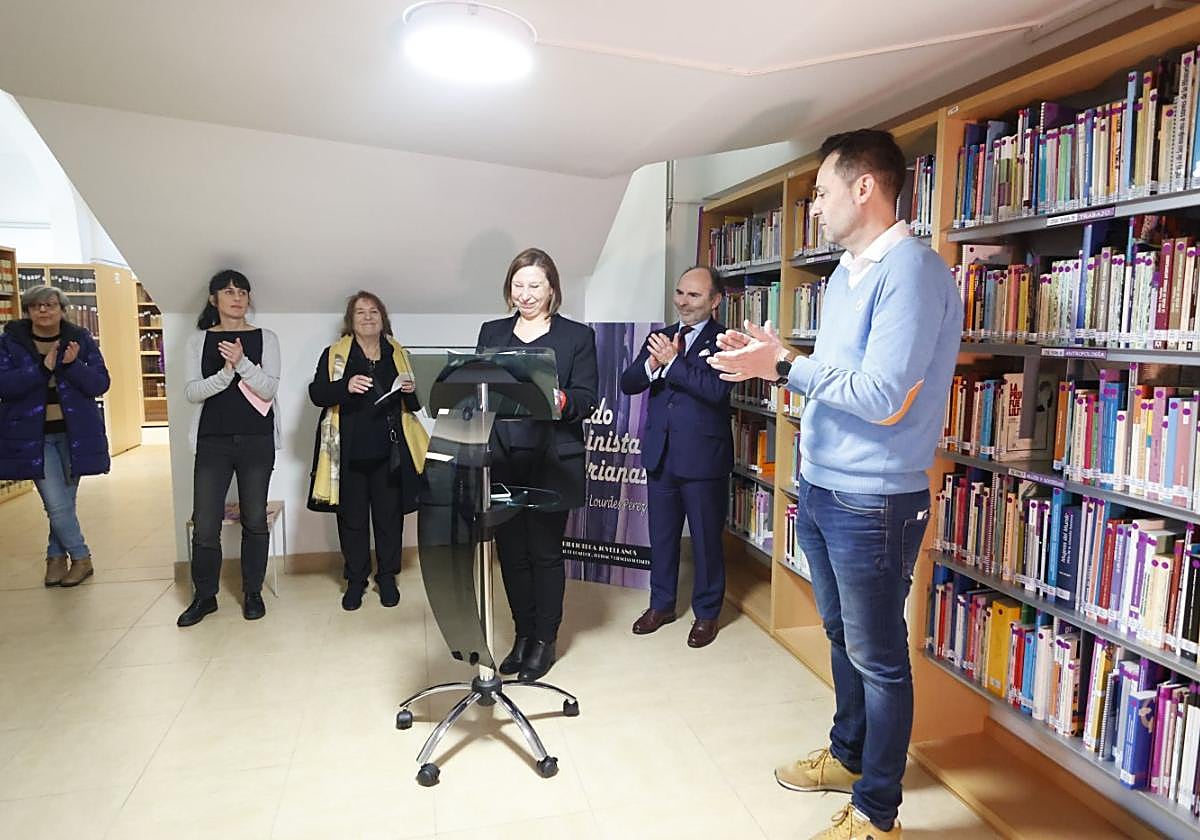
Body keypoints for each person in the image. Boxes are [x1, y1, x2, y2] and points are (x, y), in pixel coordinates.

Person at [707, 129, 962, 840]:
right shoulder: (849, 273)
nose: (812, 207)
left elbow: (882, 394)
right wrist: (776, 358)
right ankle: (851, 757)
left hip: (874, 499)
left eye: (819, 193)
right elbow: (845, 377)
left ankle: (879, 814)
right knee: (843, 638)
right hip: (822, 488)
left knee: (880, 660)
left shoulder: (910, 270)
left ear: (864, 188)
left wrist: (785, 364)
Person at [476, 247, 598, 682]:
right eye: (518, 285)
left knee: (544, 554)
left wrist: (562, 399)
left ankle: (545, 639)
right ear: (509, 289)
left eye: (535, 286)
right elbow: (478, 389)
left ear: (552, 290)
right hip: (504, 458)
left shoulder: (576, 337)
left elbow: (586, 398)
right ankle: (522, 636)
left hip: (552, 458)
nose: (526, 294)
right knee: (511, 554)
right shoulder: (492, 332)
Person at [619, 266, 732, 648]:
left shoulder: (726, 341)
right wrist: (653, 363)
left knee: (705, 542)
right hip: (661, 457)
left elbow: (715, 391)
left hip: (704, 461)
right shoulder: (661, 338)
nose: (683, 301)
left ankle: (706, 614)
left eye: (694, 295)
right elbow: (629, 382)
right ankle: (662, 604)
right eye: (680, 293)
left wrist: (673, 363)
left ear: (715, 301)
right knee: (663, 538)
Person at [308, 290, 428, 610]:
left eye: (374, 312)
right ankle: (356, 580)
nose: (368, 317)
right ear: (351, 320)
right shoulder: (335, 354)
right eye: (360, 312)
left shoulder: (397, 353)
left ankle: (386, 577)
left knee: (390, 520)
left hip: (390, 453)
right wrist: (344, 387)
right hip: (348, 453)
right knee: (352, 520)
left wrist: (411, 391)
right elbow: (317, 394)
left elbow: (415, 405)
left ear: (383, 318)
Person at [178, 269, 281, 627]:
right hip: (212, 442)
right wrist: (225, 373)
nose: (237, 297)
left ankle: (252, 592)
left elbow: (268, 389)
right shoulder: (198, 341)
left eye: (242, 291)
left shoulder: (266, 338)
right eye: (228, 291)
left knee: (255, 519)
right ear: (214, 300)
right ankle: (204, 597)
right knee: (206, 523)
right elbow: (192, 393)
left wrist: (242, 362)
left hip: (257, 440)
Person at [0, 286, 110, 587]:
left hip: (75, 435)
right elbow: (5, 385)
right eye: (36, 306)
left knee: (64, 502)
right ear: (28, 312)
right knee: (56, 503)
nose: (43, 311)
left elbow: (99, 383)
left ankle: (55, 556)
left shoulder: (80, 340)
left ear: (63, 309)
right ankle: (81, 556)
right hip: (31, 437)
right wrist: (42, 368)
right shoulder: (10, 343)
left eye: (49, 305)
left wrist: (72, 365)